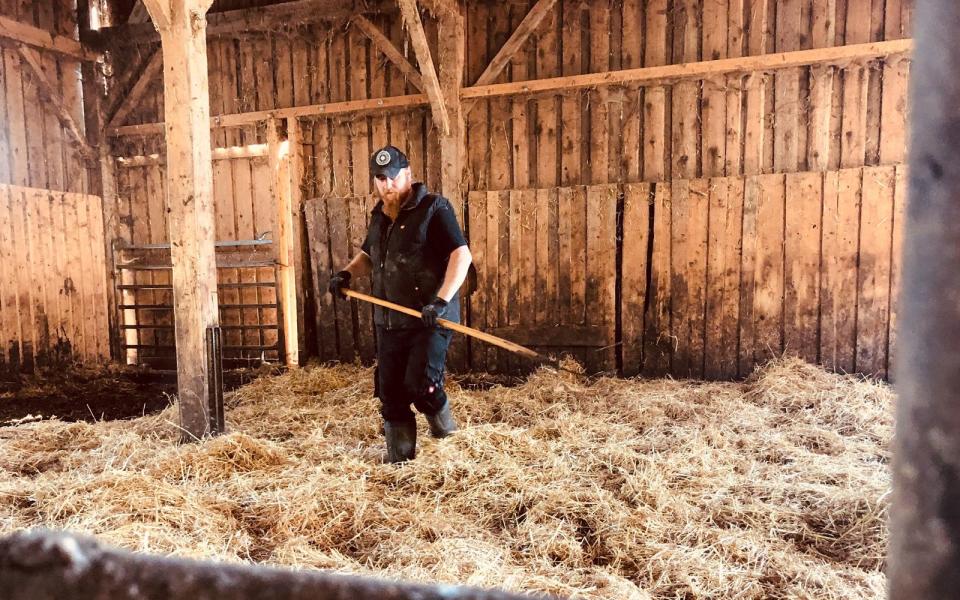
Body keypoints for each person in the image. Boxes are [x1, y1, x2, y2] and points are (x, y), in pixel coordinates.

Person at [328, 145, 473, 463]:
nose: (386, 185)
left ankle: (448, 438)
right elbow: (369, 255)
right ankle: (400, 465)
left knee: (422, 387)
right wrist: (346, 274)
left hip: (428, 319)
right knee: (390, 395)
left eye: (393, 177)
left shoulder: (435, 209)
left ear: (407, 175)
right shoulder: (379, 216)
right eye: (380, 179)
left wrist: (440, 301)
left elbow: (461, 256)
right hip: (390, 320)